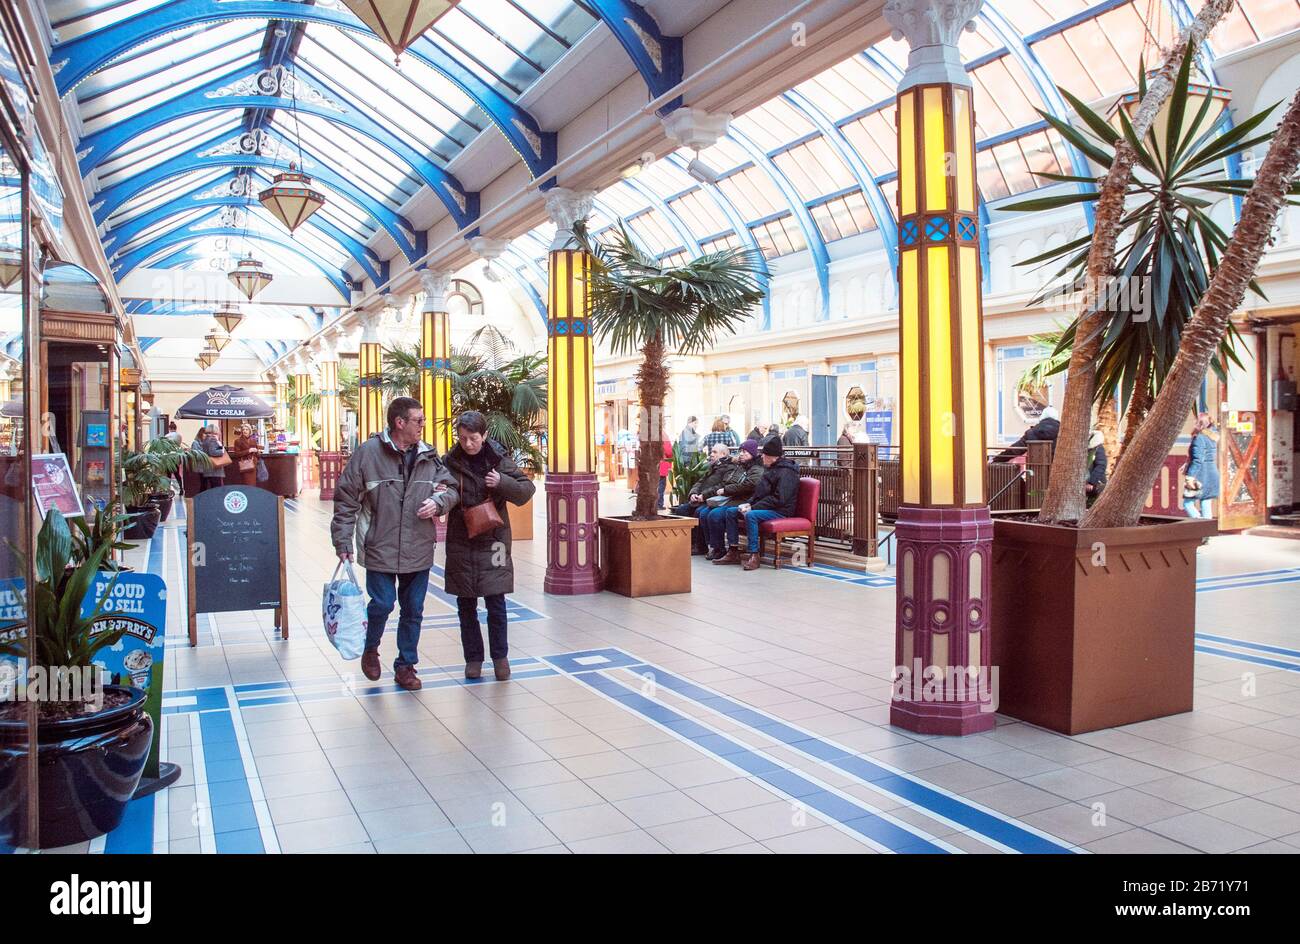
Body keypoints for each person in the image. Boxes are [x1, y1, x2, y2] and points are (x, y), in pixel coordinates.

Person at [331, 396, 458, 691]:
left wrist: (439, 502)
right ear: (399, 423)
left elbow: (451, 488)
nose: (423, 425)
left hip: (418, 546)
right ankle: (371, 648)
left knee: (413, 609)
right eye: (418, 420)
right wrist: (342, 540)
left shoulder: (428, 455)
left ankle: (405, 666)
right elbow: (346, 498)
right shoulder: (368, 454)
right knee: (383, 604)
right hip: (380, 545)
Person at [442, 410, 534, 681]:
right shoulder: (450, 462)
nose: (467, 444)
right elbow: (441, 487)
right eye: (462, 438)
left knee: (496, 601)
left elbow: (526, 490)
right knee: (465, 604)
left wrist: (501, 482)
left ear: (484, 436)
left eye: (472, 438)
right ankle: (473, 659)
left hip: (494, 541)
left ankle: (500, 658)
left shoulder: (498, 461)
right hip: (461, 539)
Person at [731, 438, 801, 571]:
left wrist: (753, 507)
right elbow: (760, 493)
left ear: (772, 457)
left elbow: (780, 499)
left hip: (782, 511)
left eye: (764, 454)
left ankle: (754, 555)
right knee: (731, 512)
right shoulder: (771, 468)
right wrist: (749, 503)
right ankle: (733, 550)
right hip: (769, 507)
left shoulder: (787, 472)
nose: (761, 456)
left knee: (751, 516)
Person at [704, 439, 764, 560]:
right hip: (732, 497)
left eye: (745, 452)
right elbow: (730, 481)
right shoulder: (740, 466)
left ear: (752, 453)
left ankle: (721, 549)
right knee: (705, 512)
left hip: (744, 500)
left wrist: (727, 489)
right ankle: (714, 547)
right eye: (740, 451)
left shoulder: (757, 468)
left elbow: (749, 485)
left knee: (714, 514)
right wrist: (726, 488)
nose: (741, 454)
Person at [670, 443, 733, 554]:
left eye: (714, 452)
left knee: (699, 512)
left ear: (723, 454)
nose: (711, 454)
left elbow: (721, 486)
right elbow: (699, 482)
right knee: (681, 510)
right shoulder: (711, 466)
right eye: (711, 451)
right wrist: (693, 493)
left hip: (712, 500)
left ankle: (701, 546)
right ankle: (687, 543)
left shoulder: (728, 468)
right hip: (700, 499)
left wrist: (704, 496)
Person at [1183, 412, 1219, 519]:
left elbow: (1198, 460)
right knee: (1206, 503)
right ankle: (1207, 531)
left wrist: (1190, 476)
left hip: (1199, 476)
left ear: (1199, 424)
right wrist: (1186, 464)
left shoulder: (1199, 438)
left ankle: (1200, 524)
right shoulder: (1211, 438)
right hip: (1211, 474)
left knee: (1188, 503)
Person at [994, 404, 1060, 462]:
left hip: (1036, 471)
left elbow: (1015, 449)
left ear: (1042, 416)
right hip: (1058, 471)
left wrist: (997, 459)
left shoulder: (1031, 433)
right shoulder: (1063, 434)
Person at [196, 425, 227, 493]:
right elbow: (213, 452)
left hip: (209, 468)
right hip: (214, 469)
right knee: (217, 490)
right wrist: (222, 449)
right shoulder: (212, 440)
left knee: (211, 489)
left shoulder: (205, 440)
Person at [228, 422, 260, 487]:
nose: (245, 431)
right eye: (243, 429)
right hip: (245, 465)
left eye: (246, 429)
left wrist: (257, 452)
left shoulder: (253, 440)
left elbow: (257, 453)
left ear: (250, 431)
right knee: (247, 484)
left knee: (253, 484)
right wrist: (248, 451)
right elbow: (237, 454)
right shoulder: (238, 441)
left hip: (253, 464)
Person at [1086, 429, 1107, 506]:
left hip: (1095, 483)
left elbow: (1101, 465)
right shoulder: (1087, 448)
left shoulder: (1097, 448)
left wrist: (1092, 482)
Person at [657, 434, 673, 510]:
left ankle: (651, 505)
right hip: (662, 464)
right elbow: (668, 451)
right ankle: (659, 504)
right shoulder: (663, 435)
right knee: (661, 485)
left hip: (652, 464)